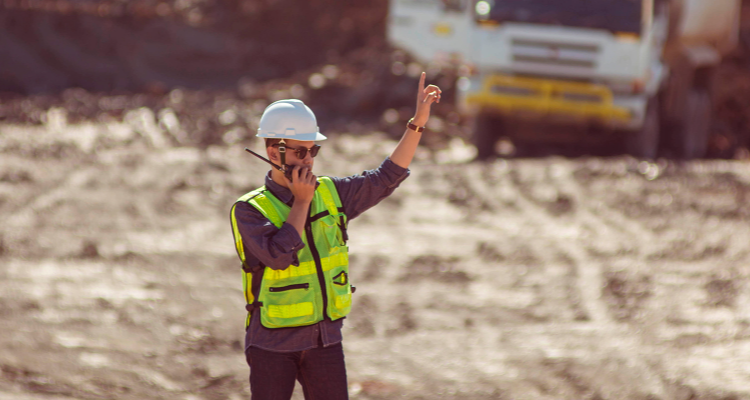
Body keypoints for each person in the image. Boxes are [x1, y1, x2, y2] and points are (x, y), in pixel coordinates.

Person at [229, 72, 441, 399]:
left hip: (324, 341)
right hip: (271, 344)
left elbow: (386, 177)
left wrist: (417, 123)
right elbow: (280, 257)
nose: (310, 159)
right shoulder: (249, 210)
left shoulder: (330, 192)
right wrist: (301, 201)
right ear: (275, 153)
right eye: (302, 152)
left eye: (313, 150)